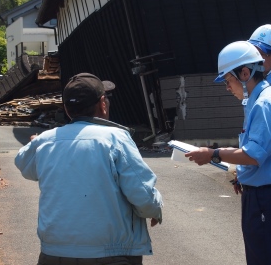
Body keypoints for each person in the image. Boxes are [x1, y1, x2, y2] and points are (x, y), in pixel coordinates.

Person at [15, 73, 163, 265]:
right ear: (103, 103)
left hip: (55, 254)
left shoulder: (46, 140)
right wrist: (155, 209)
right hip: (111, 254)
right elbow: (141, 193)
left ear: (67, 110)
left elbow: (24, 163)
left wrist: (38, 142)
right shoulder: (115, 138)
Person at [185, 41, 271, 265]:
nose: (227, 88)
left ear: (245, 73)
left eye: (228, 81)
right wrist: (239, 171)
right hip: (267, 194)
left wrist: (213, 154)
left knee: (266, 257)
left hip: (267, 197)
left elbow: (254, 155)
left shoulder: (264, 104)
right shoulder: (261, 101)